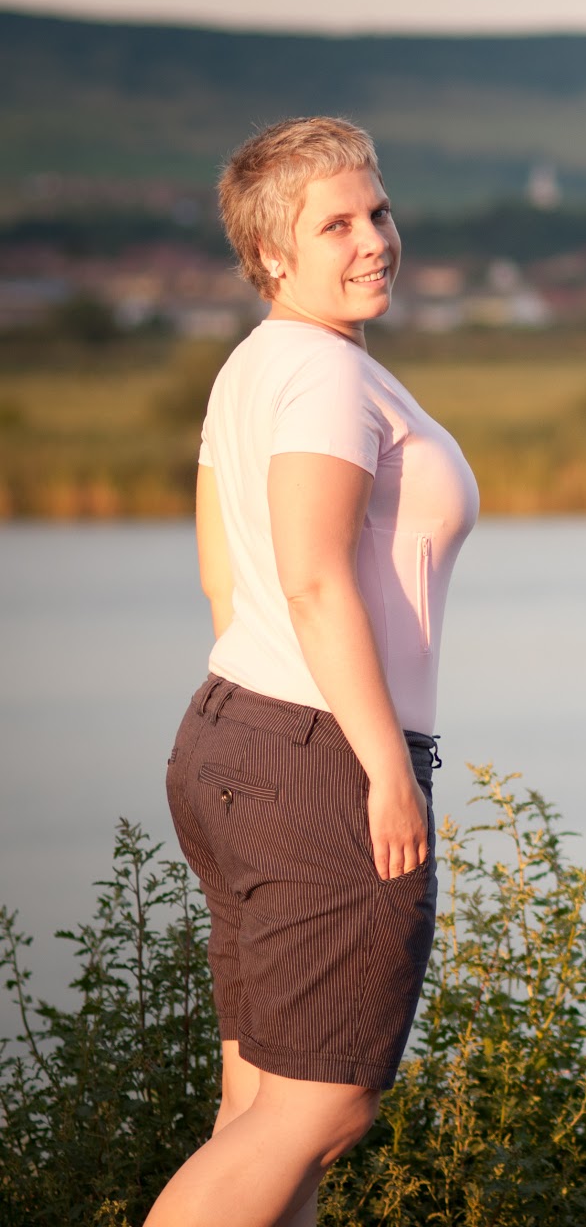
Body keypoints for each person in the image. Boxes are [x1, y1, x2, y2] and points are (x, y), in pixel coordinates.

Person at [148, 117, 478, 1227]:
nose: (373, 240)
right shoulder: (328, 379)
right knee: (322, 1108)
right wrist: (383, 771)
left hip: (234, 734)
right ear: (271, 256)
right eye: (334, 224)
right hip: (320, 752)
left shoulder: (253, 367)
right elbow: (311, 580)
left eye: (376, 212)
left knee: (264, 1116)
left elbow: (217, 573)